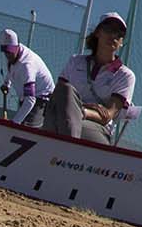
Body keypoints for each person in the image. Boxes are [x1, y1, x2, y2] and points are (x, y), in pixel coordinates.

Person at [46, 13, 135, 145]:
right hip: (60, 119)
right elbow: (60, 95)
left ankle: (66, 150)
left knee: (57, 123)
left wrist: (81, 111)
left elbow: (107, 115)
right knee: (64, 91)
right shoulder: (75, 61)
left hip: (97, 128)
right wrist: (76, 108)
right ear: (97, 33)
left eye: (119, 34)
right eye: (109, 29)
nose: (113, 36)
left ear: (121, 42)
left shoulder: (125, 76)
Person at [0, 27, 54, 127]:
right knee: (20, 122)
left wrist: (15, 123)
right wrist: (7, 83)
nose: (8, 55)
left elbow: (31, 99)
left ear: (17, 47)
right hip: (26, 96)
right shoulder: (11, 55)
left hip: (41, 98)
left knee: (26, 127)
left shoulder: (27, 66)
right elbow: (11, 68)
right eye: (6, 52)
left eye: (10, 51)